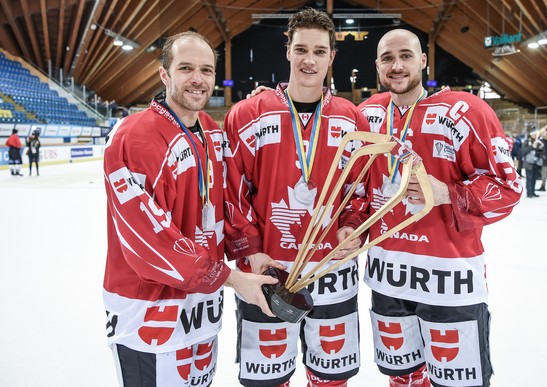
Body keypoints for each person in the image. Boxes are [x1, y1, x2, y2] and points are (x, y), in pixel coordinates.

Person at [102, 31, 278, 387]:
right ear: (165, 74)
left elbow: (229, 201)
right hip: (150, 312)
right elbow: (148, 240)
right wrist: (231, 278)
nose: (198, 79)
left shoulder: (211, 132)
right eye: (186, 68)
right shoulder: (132, 137)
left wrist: (251, 251)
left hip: (201, 307)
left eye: (206, 70)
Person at [357, 29, 522, 387]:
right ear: (377, 66)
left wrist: (448, 192)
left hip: (450, 281)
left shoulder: (466, 112)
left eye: (405, 56)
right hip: (388, 279)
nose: (397, 65)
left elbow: (508, 188)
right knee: (402, 378)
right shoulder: (366, 114)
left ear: (423, 61)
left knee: (458, 382)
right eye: (387, 58)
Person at [223, 8, 369, 387]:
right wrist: (249, 250)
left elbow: (360, 188)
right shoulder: (246, 114)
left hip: (332, 273)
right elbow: (232, 193)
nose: (309, 60)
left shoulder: (353, 119)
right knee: (268, 381)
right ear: (287, 50)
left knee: (331, 378)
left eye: (320, 51)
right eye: (301, 49)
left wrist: (351, 228)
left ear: (331, 57)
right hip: (269, 274)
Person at [522, 130, 544, 198]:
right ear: (531, 135)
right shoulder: (526, 141)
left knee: (534, 178)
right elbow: (523, 151)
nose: (536, 136)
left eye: (537, 135)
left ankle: (533, 192)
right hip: (528, 163)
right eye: (534, 134)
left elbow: (542, 152)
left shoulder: (539, 142)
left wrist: (540, 148)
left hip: (536, 163)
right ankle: (529, 192)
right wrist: (532, 147)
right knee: (529, 178)